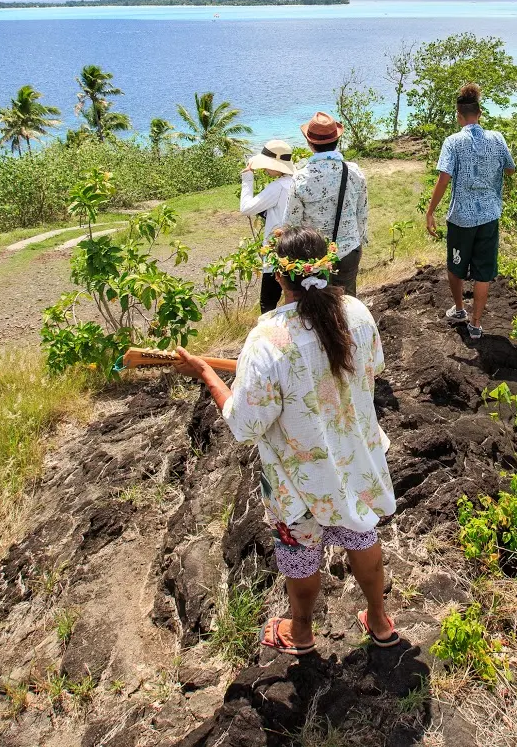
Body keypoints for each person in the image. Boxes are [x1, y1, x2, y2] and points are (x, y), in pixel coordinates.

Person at [174, 226, 399, 656]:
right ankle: (379, 619)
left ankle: (300, 632)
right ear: (329, 266)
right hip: (355, 460)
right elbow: (374, 368)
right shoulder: (356, 313)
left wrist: (206, 374)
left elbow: (245, 422)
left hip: (299, 476)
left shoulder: (267, 339)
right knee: (361, 532)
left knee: (300, 548)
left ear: (279, 278)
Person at [424, 82, 516, 340]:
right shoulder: (497, 139)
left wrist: (430, 211)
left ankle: (460, 310)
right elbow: (510, 168)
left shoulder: (453, 142)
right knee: (483, 271)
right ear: (480, 113)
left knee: (455, 266)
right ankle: (476, 323)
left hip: (462, 218)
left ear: (458, 115)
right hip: (489, 214)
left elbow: (444, 178)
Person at [283, 111, 370, 296]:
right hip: (349, 250)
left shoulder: (301, 179)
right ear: (337, 141)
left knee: (318, 308)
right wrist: (358, 240)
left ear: (309, 143)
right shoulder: (354, 171)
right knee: (347, 304)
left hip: (315, 257)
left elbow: (291, 224)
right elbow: (362, 213)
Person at [239, 139, 296, 312]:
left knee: (268, 303)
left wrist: (247, 178)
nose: (264, 169)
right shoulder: (296, 180)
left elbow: (246, 208)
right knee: (294, 296)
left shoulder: (278, 186)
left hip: (277, 250)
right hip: (297, 246)